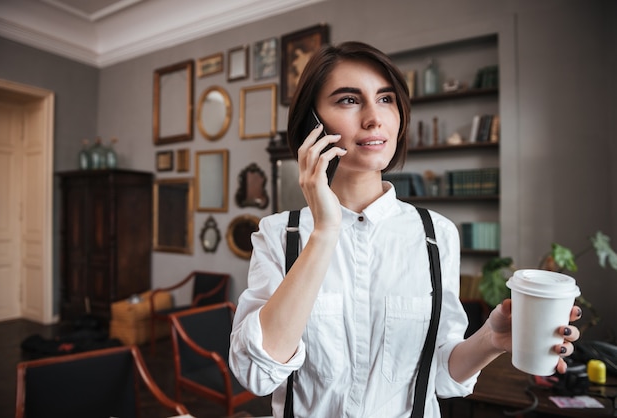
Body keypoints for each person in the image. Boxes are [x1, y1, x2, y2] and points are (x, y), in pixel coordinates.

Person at [229, 41, 581, 418]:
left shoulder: (436, 235)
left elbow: (440, 376)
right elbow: (256, 373)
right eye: (349, 100)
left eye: (386, 99)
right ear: (313, 124)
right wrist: (325, 232)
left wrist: (491, 341)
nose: (373, 118)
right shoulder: (280, 234)